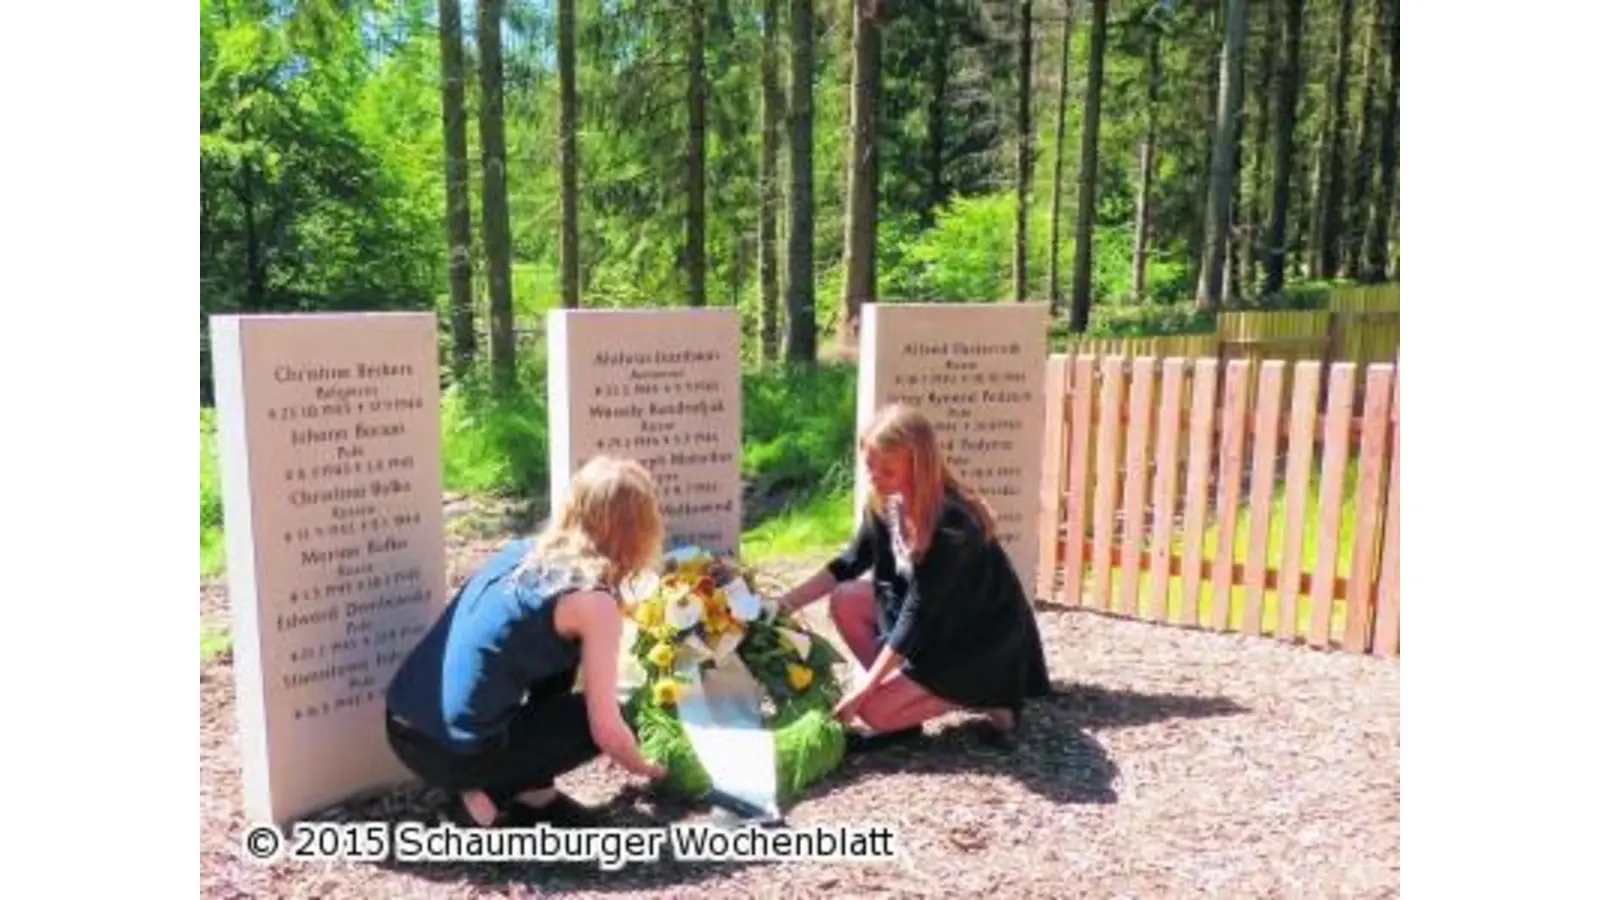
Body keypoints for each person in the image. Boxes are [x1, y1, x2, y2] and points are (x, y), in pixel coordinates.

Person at [383, 456, 669, 828]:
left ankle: (536, 794)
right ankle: (483, 802)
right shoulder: (593, 602)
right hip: (452, 752)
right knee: (603, 716)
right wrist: (649, 768)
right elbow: (606, 730)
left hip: (401, 726)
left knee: (557, 654)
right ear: (639, 528)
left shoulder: (520, 554)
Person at [776, 403, 1052, 752]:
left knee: (873, 712)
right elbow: (849, 562)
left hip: (975, 642)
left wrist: (864, 691)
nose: (875, 478)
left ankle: (988, 697)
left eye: (887, 470)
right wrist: (782, 605)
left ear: (918, 466)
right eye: (870, 467)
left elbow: (917, 615)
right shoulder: (885, 500)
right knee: (846, 598)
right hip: (933, 627)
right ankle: (907, 701)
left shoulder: (952, 524)